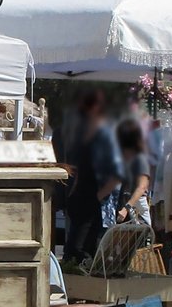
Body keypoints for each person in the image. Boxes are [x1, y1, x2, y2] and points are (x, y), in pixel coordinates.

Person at [64, 90, 122, 259]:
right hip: (78, 201)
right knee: (73, 250)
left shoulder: (106, 136)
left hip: (92, 203)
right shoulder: (80, 135)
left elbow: (118, 173)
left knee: (80, 250)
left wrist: (98, 197)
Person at [115, 119, 155, 228]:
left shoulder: (140, 159)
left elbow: (141, 187)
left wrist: (126, 208)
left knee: (137, 238)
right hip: (125, 201)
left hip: (135, 205)